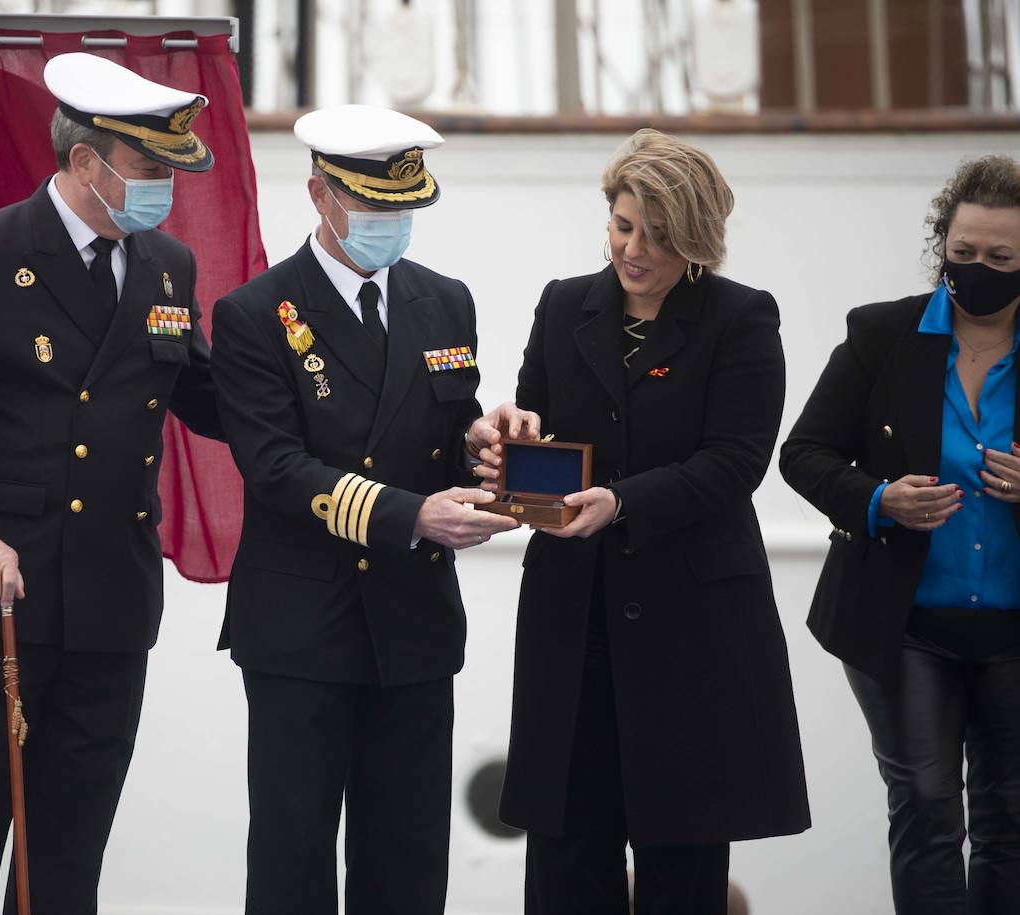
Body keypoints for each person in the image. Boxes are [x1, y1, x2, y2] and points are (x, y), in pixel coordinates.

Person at [0, 54, 223, 913]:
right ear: (84, 164)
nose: (165, 190)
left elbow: (216, 399)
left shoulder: (166, 266)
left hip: (110, 604)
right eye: (150, 170)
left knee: (66, 859)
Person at [210, 104, 530, 915]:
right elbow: (277, 466)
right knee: (294, 859)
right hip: (301, 626)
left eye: (404, 208)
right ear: (321, 195)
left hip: (412, 619)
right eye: (375, 207)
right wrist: (412, 516)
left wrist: (488, 444)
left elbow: (442, 425)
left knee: (409, 858)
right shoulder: (255, 314)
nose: (393, 223)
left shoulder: (443, 301)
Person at [493, 129, 810, 915]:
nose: (634, 249)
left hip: (691, 623)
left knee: (680, 855)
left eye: (659, 235)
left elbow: (735, 462)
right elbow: (538, 419)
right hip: (576, 616)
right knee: (569, 847)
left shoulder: (741, 318)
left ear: (697, 238)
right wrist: (513, 429)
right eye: (623, 224)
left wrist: (624, 501)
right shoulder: (565, 302)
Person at [780, 153, 1020, 914]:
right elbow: (804, 453)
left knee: (1012, 814)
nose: (978, 269)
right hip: (902, 621)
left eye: (1001, 258)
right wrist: (880, 497)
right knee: (924, 803)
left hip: (1016, 630)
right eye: (964, 253)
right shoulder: (881, 334)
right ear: (941, 245)